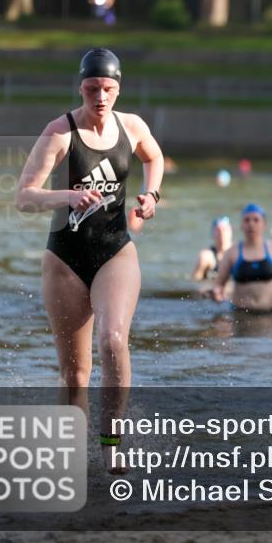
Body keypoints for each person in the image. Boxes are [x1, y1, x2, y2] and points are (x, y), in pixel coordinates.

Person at [15, 48, 164, 472]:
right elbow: (23, 197)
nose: (101, 96)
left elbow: (155, 157)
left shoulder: (131, 126)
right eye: (93, 88)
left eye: (109, 89)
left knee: (113, 341)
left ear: (118, 89)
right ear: (81, 88)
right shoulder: (60, 133)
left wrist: (151, 195)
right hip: (64, 258)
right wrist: (66, 195)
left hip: (115, 251)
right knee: (75, 373)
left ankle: (110, 443)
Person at [212, 204, 272, 314]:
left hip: (271, 313)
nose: (251, 224)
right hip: (240, 314)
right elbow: (219, 283)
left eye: (256, 220)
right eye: (247, 220)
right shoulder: (232, 252)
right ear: (241, 225)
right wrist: (217, 292)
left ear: (264, 224)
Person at [192, 216, 233, 281]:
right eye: (218, 230)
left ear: (230, 231)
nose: (222, 233)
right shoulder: (206, 257)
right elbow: (194, 282)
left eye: (224, 229)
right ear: (213, 234)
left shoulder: (239, 254)